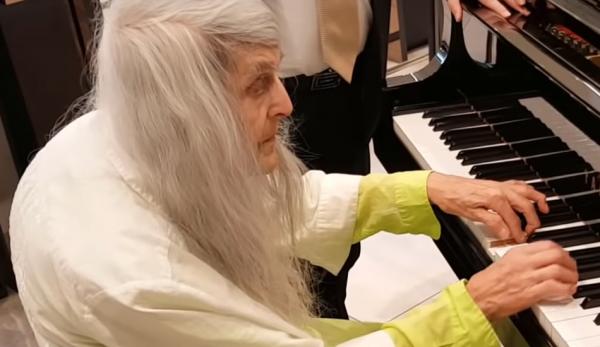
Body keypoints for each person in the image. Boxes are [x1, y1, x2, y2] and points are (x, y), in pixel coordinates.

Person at [10, 1, 577, 346]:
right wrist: (473, 303)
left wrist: (427, 187)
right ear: (190, 106)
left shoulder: (122, 131)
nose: (286, 104)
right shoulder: (136, 280)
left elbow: (264, 206)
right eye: (259, 83)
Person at [273, 0, 533, 319]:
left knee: (332, 259)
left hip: (350, 77)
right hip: (245, 89)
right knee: (271, 271)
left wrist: (425, 189)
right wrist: (464, 314)